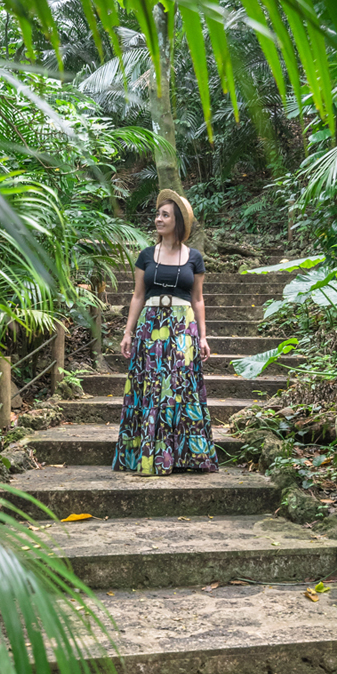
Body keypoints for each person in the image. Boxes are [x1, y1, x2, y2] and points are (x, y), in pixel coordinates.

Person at [113, 190, 219, 476]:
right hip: (150, 325)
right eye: (158, 214)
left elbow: (198, 298)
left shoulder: (194, 257)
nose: (158, 219)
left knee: (179, 385)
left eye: (165, 215)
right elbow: (137, 295)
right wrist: (128, 332)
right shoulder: (146, 255)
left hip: (183, 324)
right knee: (151, 385)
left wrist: (203, 337)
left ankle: (184, 456)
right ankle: (149, 455)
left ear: (179, 222)